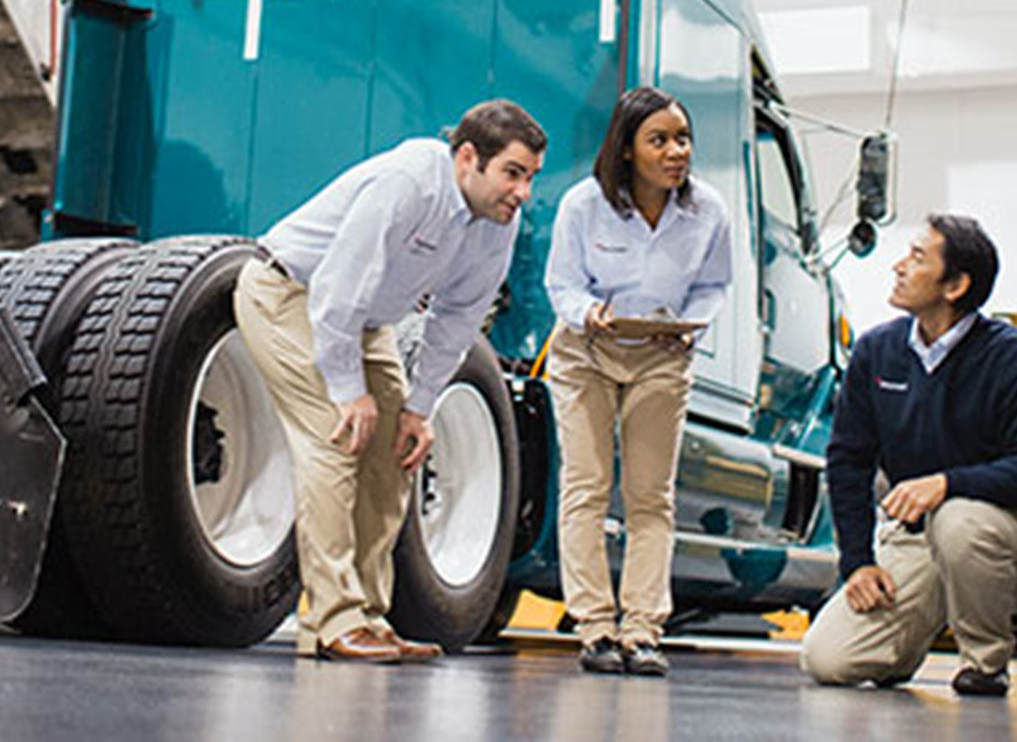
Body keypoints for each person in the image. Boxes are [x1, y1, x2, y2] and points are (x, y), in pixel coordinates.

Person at [234, 99, 547, 663]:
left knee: (394, 454)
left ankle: (369, 618)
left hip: (368, 319)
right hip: (288, 295)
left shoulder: (500, 223)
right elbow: (335, 291)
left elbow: (455, 321)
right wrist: (347, 391)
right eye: (513, 173)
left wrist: (418, 409)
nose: (522, 192)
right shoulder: (410, 184)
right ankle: (332, 621)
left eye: (530, 178)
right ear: (469, 158)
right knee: (338, 439)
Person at [800, 214, 1017, 697]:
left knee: (959, 520)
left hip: (1013, 541)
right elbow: (848, 463)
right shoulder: (875, 352)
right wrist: (858, 562)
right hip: (918, 544)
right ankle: (901, 643)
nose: (899, 267)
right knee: (827, 659)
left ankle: (984, 664)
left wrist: (947, 483)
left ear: (957, 284)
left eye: (918, 257)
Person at [542, 86, 733, 678]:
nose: (677, 151)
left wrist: (692, 329)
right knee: (588, 486)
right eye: (660, 140)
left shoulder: (708, 211)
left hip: (660, 355)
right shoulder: (583, 204)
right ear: (626, 150)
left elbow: (714, 285)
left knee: (652, 495)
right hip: (587, 353)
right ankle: (595, 626)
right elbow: (561, 284)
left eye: (683, 139)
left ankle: (643, 629)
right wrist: (587, 313)